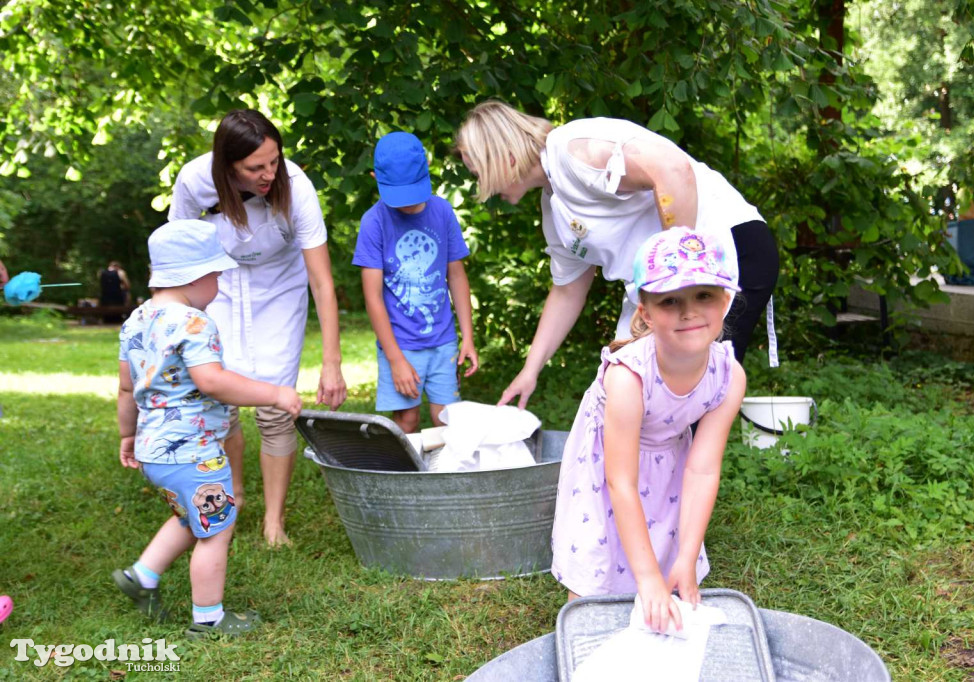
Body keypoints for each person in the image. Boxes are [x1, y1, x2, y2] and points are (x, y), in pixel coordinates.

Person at [455, 101, 777, 408]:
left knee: (682, 400)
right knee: (622, 387)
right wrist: (530, 370)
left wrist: (674, 282)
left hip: (729, 251)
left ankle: (695, 465)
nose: (482, 186)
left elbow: (673, 170)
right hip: (661, 290)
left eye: (478, 172)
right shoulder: (555, 206)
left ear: (505, 158)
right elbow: (567, 291)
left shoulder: (575, 150)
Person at [549, 225, 746, 634]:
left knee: (666, 556)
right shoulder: (629, 378)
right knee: (598, 555)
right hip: (608, 459)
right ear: (646, 312)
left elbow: (702, 469)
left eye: (704, 295)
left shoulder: (728, 375)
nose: (689, 311)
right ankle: (586, 636)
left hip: (667, 452)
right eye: (671, 300)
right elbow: (620, 481)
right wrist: (648, 579)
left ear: (725, 301)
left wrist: (686, 558)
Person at [115, 220, 302, 638]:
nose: (218, 283)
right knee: (218, 527)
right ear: (194, 276)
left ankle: (143, 575)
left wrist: (127, 435)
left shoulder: (135, 321)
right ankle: (209, 619)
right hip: (194, 452)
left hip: (153, 451)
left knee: (189, 514)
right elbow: (212, 381)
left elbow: (127, 388)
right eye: (216, 274)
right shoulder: (194, 323)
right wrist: (274, 394)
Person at [169, 109, 347, 545]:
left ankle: (274, 522)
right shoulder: (195, 183)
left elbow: (322, 281)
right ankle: (236, 495)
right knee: (220, 397)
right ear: (227, 165)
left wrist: (332, 363)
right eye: (255, 168)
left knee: (275, 406)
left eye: (274, 161)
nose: (269, 173)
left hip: (280, 289)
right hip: (220, 288)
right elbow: (179, 255)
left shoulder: (296, 186)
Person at [353, 132, 478, 433]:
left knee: (446, 420)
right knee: (406, 421)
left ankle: (444, 479)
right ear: (376, 178)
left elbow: (457, 276)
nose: (408, 205)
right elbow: (373, 297)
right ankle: (407, 480)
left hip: (443, 340)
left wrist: (468, 338)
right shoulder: (374, 222)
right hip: (400, 343)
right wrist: (395, 358)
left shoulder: (442, 211)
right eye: (400, 196)